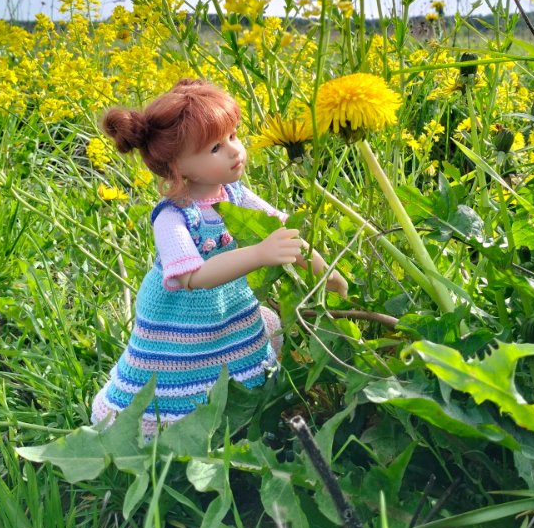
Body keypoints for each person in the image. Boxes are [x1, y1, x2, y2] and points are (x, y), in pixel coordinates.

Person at [91, 78, 347, 438]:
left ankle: (241, 411)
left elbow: (284, 229)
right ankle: (172, 427)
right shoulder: (173, 216)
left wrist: (326, 273)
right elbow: (193, 277)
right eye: (215, 148)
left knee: (249, 343)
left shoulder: (234, 195)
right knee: (181, 374)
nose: (234, 151)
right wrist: (259, 253)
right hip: (180, 320)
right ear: (178, 167)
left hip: (230, 307)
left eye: (233, 136)